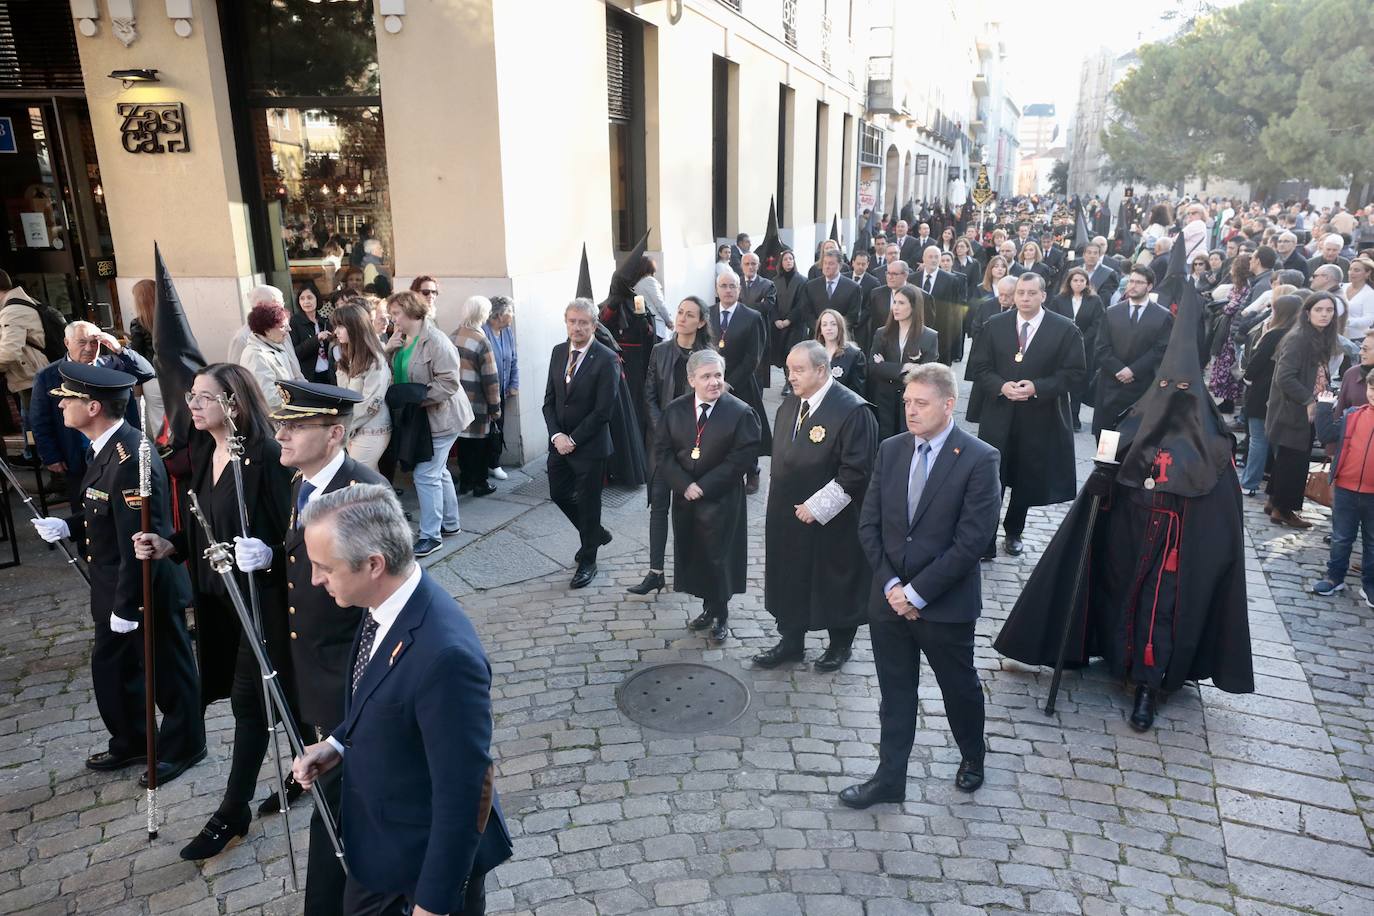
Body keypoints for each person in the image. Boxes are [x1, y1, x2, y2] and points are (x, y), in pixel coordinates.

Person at [995, 276, 1253, 732]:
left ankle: (1150, 686)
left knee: (1161, 613)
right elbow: (1107, 471)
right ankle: (1110, 657)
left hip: (1176, 548)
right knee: (1118, 599)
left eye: (1181, 385)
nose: (1172, 392)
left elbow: (1221, 515)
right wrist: (1102, 479)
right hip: (1127, 536)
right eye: (1166, 384)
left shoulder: (1214, 444)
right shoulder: (1132, 423)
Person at [291, 484, 512, 916]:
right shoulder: (382, 606)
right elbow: (377, 690)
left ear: (374, 564)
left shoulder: (446, 657)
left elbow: (465, 793)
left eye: (324, 568)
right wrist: (336, 744)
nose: (315, 580)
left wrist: (432, 904)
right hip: (378, 853)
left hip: (418, 876)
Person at [131, 364, 296, 859]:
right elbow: (205, 522)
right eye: (191, 395)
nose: (192, 404)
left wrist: (268, 552)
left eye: (204, 397)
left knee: (249, 701)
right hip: (217, 600)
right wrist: (169, 543)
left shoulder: (266, 456)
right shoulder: (204, 450)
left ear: (235, 403)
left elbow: (294, 531)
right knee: (283, 691)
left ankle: (232, 811)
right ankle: (315, 765)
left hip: (263, 601)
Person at [231, 378, 384, 914]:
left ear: (336, 433)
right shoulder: (304, 485)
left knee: (341, 808)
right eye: (280, 425)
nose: (282, 435)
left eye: (296, 426)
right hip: (311, 670)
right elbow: (312, 564)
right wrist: (274, 557)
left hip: (349, 676)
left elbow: (381, 599)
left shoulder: (361, 493)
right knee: (334, 801)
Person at [30, 364, 205, 781]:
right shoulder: (102, 448)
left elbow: (140, 539)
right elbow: (100, 507)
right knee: (113, 670)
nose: (62, 406)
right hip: (112, 585)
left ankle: (185, 747)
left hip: (143, 586)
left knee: (168, 673)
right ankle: (132, 742)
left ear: (92, 407)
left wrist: (128, 607)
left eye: (67, 400)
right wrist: (69, 525)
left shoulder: (132, 456)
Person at [840, 363, 1001, 808]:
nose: (910, 411)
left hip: (944, 606)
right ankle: (890, 779)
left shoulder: (979, 458)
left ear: (948, 405)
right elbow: (869, 524)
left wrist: (916, 594)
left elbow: (972, 542)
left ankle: (973, 755)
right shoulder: (891, 450)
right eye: (907, 402)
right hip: (888, 601)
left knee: (958, 687)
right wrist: (893, 585)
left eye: (920, 403)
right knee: (895, 694)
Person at [756, 341, 879, 673]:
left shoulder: (854, 411)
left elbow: (857, 472)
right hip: (787, 514)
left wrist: (817, 506)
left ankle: (840, 645)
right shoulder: (790, 406)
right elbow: (780, 459)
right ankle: (791, 641)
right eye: (788, 369)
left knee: (834, 578)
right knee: (790, 577)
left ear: (821, 370)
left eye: (799, 370)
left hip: (832, 519)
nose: (791, 376)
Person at [968, 273, 1086, 557]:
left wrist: (1037, 387)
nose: (1024, 298)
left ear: (1043, 295)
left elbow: (1075, 374)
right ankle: (985, 538)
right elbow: (979, 367)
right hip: (999, 413)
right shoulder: (994, 325)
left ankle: (1013, 532)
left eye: (1031, 293)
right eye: (1021, 292)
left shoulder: (1065, 329)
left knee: (1024, 477)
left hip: (1038, 416)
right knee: (991, 476)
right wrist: (1000, 385)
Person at [653, 349, 762, 642]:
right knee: (696, 555)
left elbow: (742, 457)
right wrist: (684, 484)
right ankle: (707, 607)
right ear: (691, 380)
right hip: (686, 498)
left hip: (722, 499)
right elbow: (662, 453)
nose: (714, 382)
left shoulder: (740, 413)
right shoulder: (675, 411)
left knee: (720, 558)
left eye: (718, 375)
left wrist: (705, 485)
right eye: (706, 377)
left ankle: (721, 614)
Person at [631, 296, 714, 597]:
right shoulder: (660, 351)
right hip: (662, 444)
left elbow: (712, 401)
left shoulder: (708, 357)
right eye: (680, 312)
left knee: (691, 511)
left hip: (694, 444)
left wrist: (687, 434)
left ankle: (693, 574)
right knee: (658, 506)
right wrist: (663, 430)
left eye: (690, 315)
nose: (682, 318)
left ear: (701, 322)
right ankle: (655, 572)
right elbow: (649, 395)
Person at [386, 290, 473, 556]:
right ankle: (450, 524)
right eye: (391, 315)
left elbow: (449, 383)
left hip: (442, 417)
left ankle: (431, 536)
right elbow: (397, 370)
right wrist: (389, 351)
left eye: (396, 314)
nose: (393, 320)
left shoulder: (436, 341)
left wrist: (416, 398)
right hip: (421, 418)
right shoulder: (402, 338)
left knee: (426, 474)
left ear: (412, 312)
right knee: (438, 471)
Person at [29, 321, 154, 507]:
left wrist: (120, 349)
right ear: (66, 343)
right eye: (82, 342)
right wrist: (51, 456)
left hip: (118, 452)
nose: (89, 348)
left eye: (94, 342)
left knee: (122, 507)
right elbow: (40, 420)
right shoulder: (48, 375)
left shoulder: (113, 366)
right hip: (76, 454)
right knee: (85, 511)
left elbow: (147, 373)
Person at [543, 298, 620, 588]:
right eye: (572, 321)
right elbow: (549, 402)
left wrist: (573, 439)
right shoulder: (557, 352)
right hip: (559, 442)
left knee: (589, 504)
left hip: (589, 445)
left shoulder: (606, 358)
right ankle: (596, 533)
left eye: (583, 322)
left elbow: (603, 411)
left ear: (594, 325)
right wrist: (557, 436)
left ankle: (589, 559)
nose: (577, 327)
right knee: (559, 493)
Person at [1265, 292, 1340, 528]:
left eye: (1329, 310)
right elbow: (1284, 377)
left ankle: (1274, 501)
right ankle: (1284, 510)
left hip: (1301, 408)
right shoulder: (1299, 338)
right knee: (1296, 461)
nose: (1324, 314)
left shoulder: (1317, 337)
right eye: (1319, 310)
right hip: (1293, 410)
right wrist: (1309, 401)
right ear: (1307, 313)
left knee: (1288, 458)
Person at [1312, 374, 1374, 603]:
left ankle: (1370, 585)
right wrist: (1324, 408)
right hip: (1346, 489)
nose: (1373, 394)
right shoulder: (1353, 415)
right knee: (1341, 537)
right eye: (1371, 388)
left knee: (1372, 542)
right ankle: (1334, 577)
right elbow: (1327, 434)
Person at [1092, 266, 1173, 437]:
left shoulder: (1162, 315)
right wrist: (1118, 370)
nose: (1133, 286)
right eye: (1131, 281)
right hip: (1110, 384)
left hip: (1141, 386)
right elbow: (1101, 347)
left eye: (1139, 282)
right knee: (1106, 437)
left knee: (1133, 438)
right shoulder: (1112, 312)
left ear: (1149, 286)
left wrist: (1133, 370)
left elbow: (1160, 349)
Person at [711, 270, 772, 493]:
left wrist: (729, 383)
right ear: (717, 289)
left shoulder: (752, 317)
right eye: (724, 286)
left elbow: (753, 357)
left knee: (745, 430)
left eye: (732, 286)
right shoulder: (707, 314)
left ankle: (752, 470)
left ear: (739, 289)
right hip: (711, 384)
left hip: (742, 383)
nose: (728, 290)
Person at [1239, 295, 1302, 495]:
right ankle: (1278, 487)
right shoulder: (1299, 336)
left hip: (1262, 392)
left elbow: (1256, 363)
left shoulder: (1274, 335)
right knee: (1277, 441)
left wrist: (1246, 379)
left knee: (1258, 439)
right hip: (1285, 395)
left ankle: (1249, 483)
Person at [868, 285, 939, 439]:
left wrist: (886, 367)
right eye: (895, 302)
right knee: (884, 442)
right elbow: (873, 367)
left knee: (908, 442)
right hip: (884, 399)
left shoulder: (929, 336)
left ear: (913, 307)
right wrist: (904, 367)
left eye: (901, 303)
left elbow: (925, 374)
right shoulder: (882, 334)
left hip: (912, 401)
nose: (896, 307)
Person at [451, 296, 502, 498]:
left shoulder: (453, 335)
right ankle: (480, 483)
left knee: (463, 443)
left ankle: (465, 481)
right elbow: (490, 377)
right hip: (477, 400)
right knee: (480, 445)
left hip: (457, 400)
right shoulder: (481, 340)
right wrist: (495, 406)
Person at [331, 301, 391, 473]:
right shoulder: (348, 355)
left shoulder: (375, 359)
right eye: (336, 326)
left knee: (361, 479)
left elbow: (371, 403)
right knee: (369, 481)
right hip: (353, 429)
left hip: (372, 429)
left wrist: (344, 425)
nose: (336, 332)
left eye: (341, 326)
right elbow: (343, 394)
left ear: (355, 327)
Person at [1048, 267, 1105, 431]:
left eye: (1082, 280)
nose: (1078, 283)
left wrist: (1081, 339)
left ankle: (1074, 416)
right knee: (1060, 380)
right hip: (1062, 347)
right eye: (1075, 280)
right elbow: (1052, 320)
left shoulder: (1094, 301)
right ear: (1069, 282)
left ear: (1087, 283)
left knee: (1079, 384)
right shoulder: (1059, 299)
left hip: (1085, 348)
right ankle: (1057, 415)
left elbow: (1098, 323)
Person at [1207, 254, 1254, 413]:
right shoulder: (1237, 286)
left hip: (1233, 331)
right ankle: (1226, 401)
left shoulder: (1246, 287)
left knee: (1230, 368)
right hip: (1227, 330)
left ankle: (1229, 402)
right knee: (1224, 366)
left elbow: (1232, 307)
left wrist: (1222, 307)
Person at [0, 268, 50, 416]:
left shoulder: (13, 310)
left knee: (36, 430)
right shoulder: (19, 303)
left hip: (31, 380)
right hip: (32, 377)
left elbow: (9, 351)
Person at [227, 286, 304, 379]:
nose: (282, 309)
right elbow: (236, 378)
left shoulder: (283, 330)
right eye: (277, 304)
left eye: (283, 304)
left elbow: (295, 367)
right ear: (261, 305)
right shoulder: (241, 339)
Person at [238, 301, 299, 412]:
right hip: (272, 421)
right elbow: (269, 397)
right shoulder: (256, 355)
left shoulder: (276, 344)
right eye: (282, 326)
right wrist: (300, 397)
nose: (289, 330)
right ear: (267, 331)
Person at [912, 245, 967, 365]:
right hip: (915, 334)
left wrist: (955, 347)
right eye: (930, 257)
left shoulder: (951, 280)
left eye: (936, 257)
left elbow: (956, 314)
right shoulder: (912, 279)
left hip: (942, 337)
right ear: (923, 258)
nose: (933, 260)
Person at [483, 295, 518, 481]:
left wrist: (514, 383)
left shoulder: (507, 332)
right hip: (486, 391)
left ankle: (494, 463)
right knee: (486, 429)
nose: (512, 315)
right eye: (510, 311)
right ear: (499, 314)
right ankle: (485, 464)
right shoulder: (484, 332)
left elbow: (513, 359)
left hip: (502, 390)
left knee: (498, 427)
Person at [738, 252, 777, 390]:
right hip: (739, 331)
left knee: (758, 369)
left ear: (758, 265)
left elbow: (766, 307)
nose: (750, 267)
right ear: (741, 266)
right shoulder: (735, 283)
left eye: (753, 263)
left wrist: (741, 306)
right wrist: (756, 304)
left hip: (759, 331)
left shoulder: (767, 285)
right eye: (747, 264)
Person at [290, 283, 336, 385]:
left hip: (328, 372)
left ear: (317, 299)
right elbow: (296, 353)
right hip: (309, 376)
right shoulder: (295, 322)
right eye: (302, 298)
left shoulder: (324, 321)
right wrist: (317, 338)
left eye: (310, 298)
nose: (306, 302)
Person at [814, 308, 866, 395]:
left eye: (833, 324)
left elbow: (857, 391)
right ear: (820, 330)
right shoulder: (813, 353)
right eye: (824, 325)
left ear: (840, 327)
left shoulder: (854, 355)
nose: (829, 328)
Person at [769, 249, 806, 369]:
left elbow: (802, 304)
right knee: (781, 355)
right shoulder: (775, 281)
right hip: (779, 324)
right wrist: (776, 320)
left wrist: (788, 320)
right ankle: (787, 378)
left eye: (791, 259)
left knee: (794, 354)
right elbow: (772, 303)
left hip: (795, 324)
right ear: (781, 263)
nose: (788, 261)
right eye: (785, 259)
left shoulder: (802, 280)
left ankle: (791, 381)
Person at [632, 255, 671, 340]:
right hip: (656, 326)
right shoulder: (649, 281)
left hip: (646, 326)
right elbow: (660, 304)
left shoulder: (636, 283)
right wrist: (669, 321)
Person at [1345, 256, 1374, 337]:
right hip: (1339, 336)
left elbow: (1369, 320)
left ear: (1368, 273)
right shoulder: (1342, 287)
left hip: (1358, 339)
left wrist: (1345, 322)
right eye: (1350, 269)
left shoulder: (1370, 294)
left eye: (1356, 270)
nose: (1351, 273)